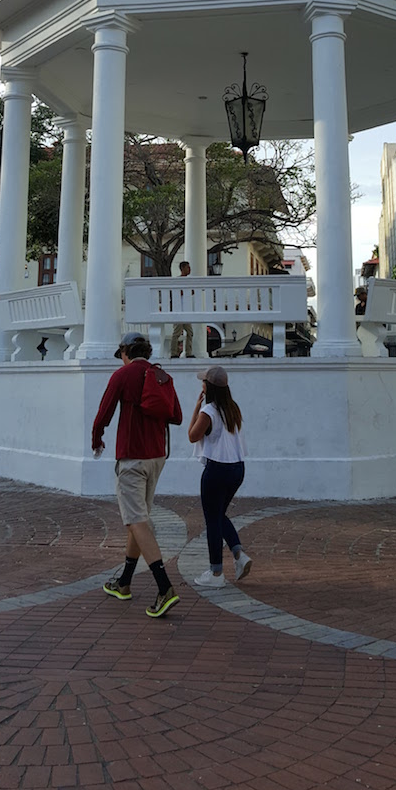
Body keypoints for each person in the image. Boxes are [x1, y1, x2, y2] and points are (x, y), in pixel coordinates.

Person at [91, 333, 182, 618]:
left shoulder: (123, 375)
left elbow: (103, 413)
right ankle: (124, 583)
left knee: (137, 522)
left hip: (132, 456)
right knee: (137, 519)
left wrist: (97, 438)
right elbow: (176, 416)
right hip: (157, 456)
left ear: (125, 352)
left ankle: (165, 587)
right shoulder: (161, 375)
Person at [188, 364, 251, 587]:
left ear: (209, 387)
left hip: (217, 469)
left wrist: (196, 408)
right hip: (237, 468)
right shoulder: (232, 408)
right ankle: (239, 555)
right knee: (218, 515)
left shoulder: (209, 411)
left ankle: (216, 574)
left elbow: (192, 436)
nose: (201, 385)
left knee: (213, 520)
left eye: (203, 382)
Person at [171, 260, 194, 359]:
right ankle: (174, 352)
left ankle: (188, 352)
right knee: (176, 332)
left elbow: (192, 292)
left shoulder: (188, 281)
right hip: (178, 310)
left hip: (186, 310)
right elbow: (176, 293)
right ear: (182, 268)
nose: (189, 269)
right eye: (187, 267)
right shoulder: (177, 280)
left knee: (190, 332)